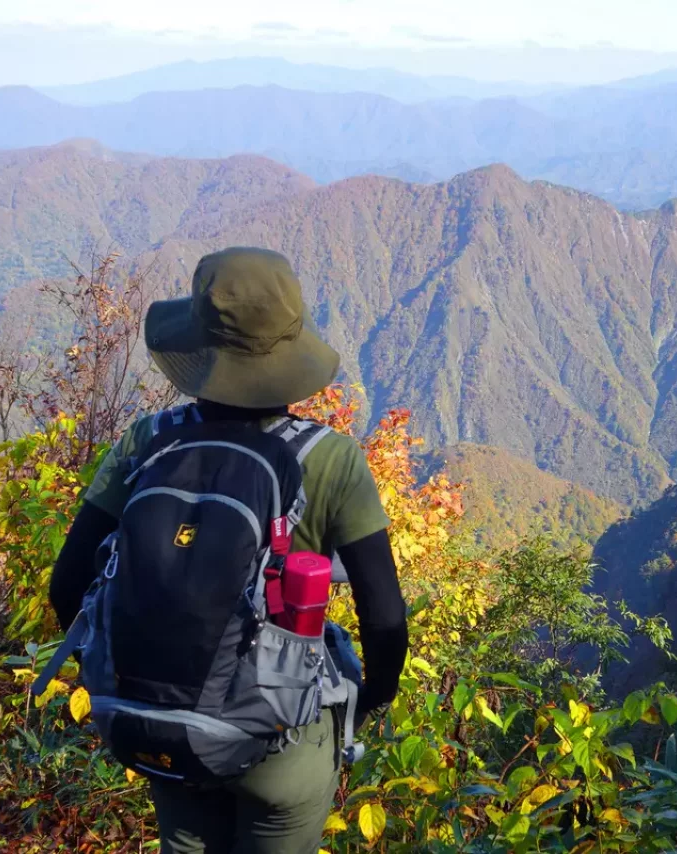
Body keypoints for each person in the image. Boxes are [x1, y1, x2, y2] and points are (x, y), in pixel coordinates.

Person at [48, 247, 408, 853]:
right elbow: (385, 614)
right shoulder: (330, 458)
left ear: (199, 346)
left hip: (169, 717)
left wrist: (134, 678)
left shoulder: (149, 441)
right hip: (281, 735)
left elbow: (67, 585)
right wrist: (371, 698)